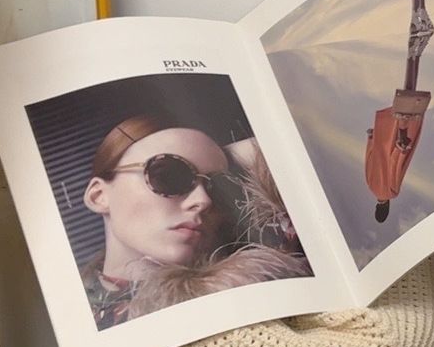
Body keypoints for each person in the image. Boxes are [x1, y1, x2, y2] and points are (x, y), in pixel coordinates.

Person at [81, 115, 308, 329]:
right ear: (98, 196)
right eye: (169, 176)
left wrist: (229, 158)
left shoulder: (255, 280)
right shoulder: (74, 315)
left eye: (216, 187)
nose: (203, 201)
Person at [367, 0, 434, 223]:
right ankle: (419, 17)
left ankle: (419, 17)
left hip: (397, 137)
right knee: (409, 82)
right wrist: (373, 137)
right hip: (385, 137)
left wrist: (400, 144)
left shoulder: (389, 191)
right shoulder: (371, 186)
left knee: (411, 88)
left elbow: (397, 164)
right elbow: (370, 156)